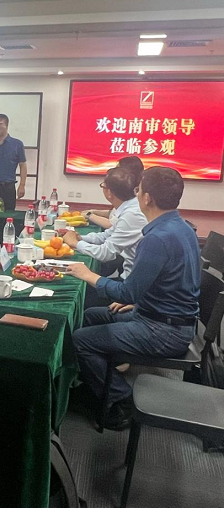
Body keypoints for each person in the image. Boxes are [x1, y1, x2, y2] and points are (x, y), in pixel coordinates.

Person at [67, 167, 199, 431]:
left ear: (147, 198)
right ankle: (96, 383)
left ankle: (121, 400)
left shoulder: (158, 238)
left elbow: (127, 291)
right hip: (161, 315)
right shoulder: (179, 227)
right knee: (90, 315)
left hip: (164, 330)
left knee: (81, 340)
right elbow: (169, 282)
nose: (136, 195)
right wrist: (138, 299)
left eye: (139, 190)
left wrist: (89, 275)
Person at [63, 168, 147, 282]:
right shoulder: (129, 207)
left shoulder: (132, 214)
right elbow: (107, 235)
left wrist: (75, 243)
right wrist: (81, 238)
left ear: (109, 192)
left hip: (130, 283)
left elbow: (106, 253)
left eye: (103, 186)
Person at [84, 156, 144, 230]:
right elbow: (115, 213)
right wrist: (93, 211)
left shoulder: (133, 197)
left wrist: (89, 215)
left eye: (117, 169)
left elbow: (112, 224)